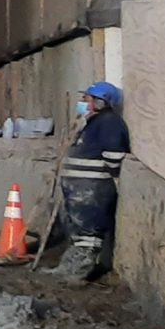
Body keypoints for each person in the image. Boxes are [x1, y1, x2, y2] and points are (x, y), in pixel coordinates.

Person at [54, 81, 129, 282]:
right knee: (77, 231)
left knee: (88, 234)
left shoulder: (110, 123)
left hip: (92, 189)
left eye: (86, 99)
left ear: (100, 102)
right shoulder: (93, 123)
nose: (82, 102)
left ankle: (77, 275)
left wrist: (111, 174)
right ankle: (66, 270)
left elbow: (114, 155)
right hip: (81, 189)